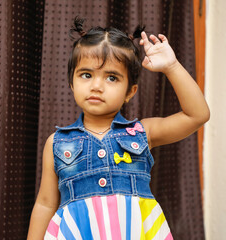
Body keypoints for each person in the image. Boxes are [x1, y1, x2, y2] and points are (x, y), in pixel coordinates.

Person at [27, 17, 210, 240]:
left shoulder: (143, 132)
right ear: (72, 83)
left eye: (111, 78)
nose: (96, 86)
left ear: (130, 92)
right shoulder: (57, 142)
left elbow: (197, 115)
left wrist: (171, 67)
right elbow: (45, 204)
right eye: (86, 75)